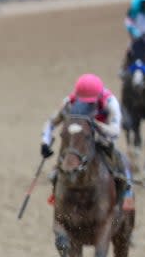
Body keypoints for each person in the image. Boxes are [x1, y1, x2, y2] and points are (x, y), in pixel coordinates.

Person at [41, 73, 132, 205]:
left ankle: (127, 195)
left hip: (103, 137)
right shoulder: (69, 102)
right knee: (64, 159)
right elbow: (50, 123)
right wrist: (45, 143)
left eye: (90, 102)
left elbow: (115, 132)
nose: (86, 105)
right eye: (83, 101)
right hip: (78, 138)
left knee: (121, 163)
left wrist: (97, 125)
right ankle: (56, 191)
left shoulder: (110, 102)